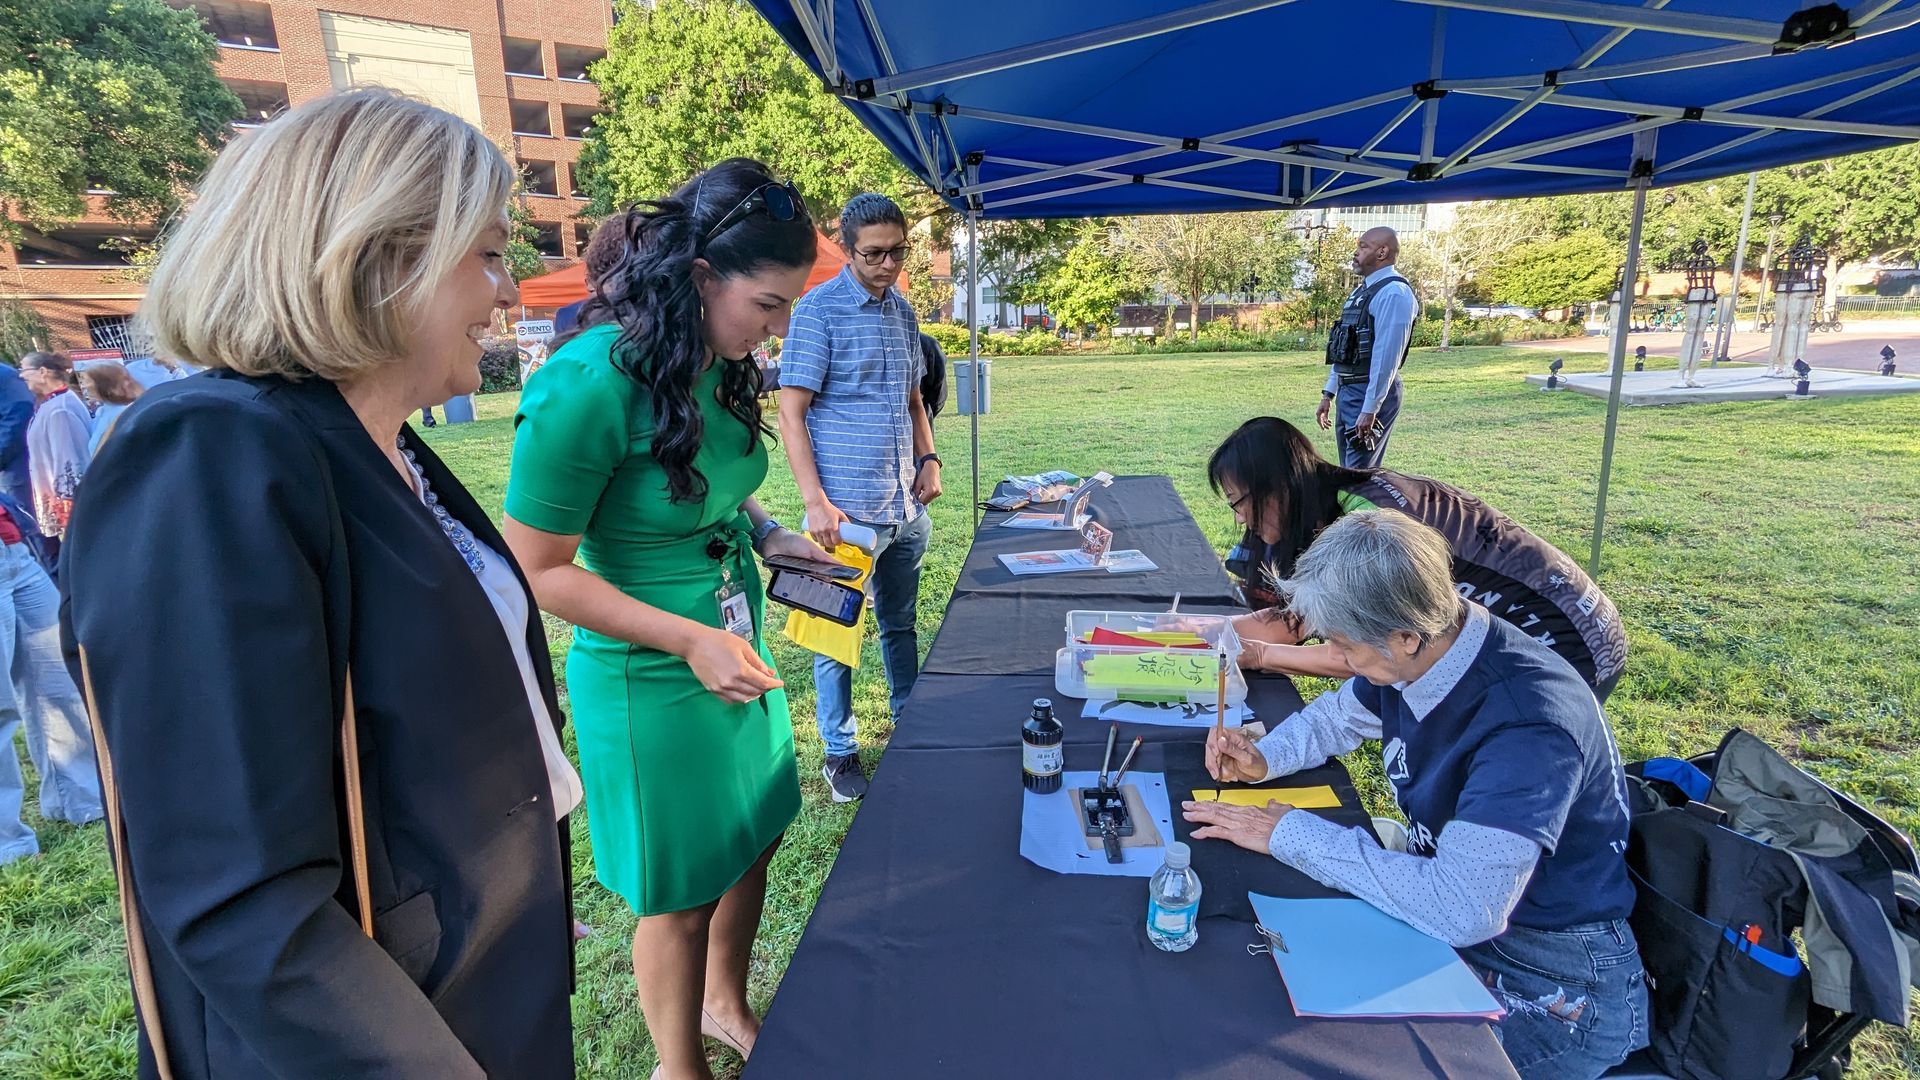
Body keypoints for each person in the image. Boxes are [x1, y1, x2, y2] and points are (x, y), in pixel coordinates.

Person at [59, 88, 579, 1077]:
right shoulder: (211, 453)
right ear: (380, 254)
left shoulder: (387, 448)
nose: (509, 290)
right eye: (487, 254)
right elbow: (237, 890)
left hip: (476, 986)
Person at [504, 158, 837, 1080]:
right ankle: (677, 1066)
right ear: (699, 277)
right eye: (767, 304)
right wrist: (689, 639)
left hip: (730, 648)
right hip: (653, 674)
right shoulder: (585, 385)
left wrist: (767, 532)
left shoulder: (717, 363)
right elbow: (536, 568)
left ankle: (726, 1006)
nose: (777, 328)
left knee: (756, 836)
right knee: (679, 895)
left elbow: (707, 478)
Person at [1183, 511, 1648, 1080]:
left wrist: (1292, 833)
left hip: (1555, 979)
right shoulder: (1433, 643)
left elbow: (1462, 909)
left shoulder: (1527, 730)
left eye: (1344, 645)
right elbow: (1338, 717)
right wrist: (1265, 759)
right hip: (1473, 921)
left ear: (1404, 636)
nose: (1338, 658)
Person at [1209, 416, 1627, 700]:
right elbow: (1295, 621)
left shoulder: (1366, 524)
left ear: (1278, 488)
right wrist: (1201, 631)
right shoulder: (1333, 502)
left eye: (1237, 502)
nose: (1240, 518)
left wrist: (1258, 655)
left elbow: (1361, 654)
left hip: (1568, 639)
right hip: (1565, 620)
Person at [777, 192, 939, 802]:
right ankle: (840, 752)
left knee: (900, 623)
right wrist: (814, 502)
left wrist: (929, 458)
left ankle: (908, 723)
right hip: (843, 514)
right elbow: (790, 411)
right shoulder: (817, 312)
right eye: (874, 253)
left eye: (897, 251)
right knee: (834, 637)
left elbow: (915, 400)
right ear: (846, 249)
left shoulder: (904, 312)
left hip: (905, 508)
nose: (888, 264)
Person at [0, 489, 102, 867]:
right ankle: (8, 844)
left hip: (13, 549)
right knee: (0, 709)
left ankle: (80, 800)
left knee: (58, 683)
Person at [1317, 226, 1415, 468]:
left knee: (1359, 474)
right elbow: (1344, 347)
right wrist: (1329, 394)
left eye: (1363, 247)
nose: (1356, 252)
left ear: (1382, 252)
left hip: (1368, 391)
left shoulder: (1394, 293)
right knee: (1349, 471)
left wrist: (1370, 408)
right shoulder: (1361, 292)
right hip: (1348, 391)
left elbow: (1386, 358)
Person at [18, 352, 92, 542]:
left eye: (24, 369)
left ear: (43, 372)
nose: (21, 375)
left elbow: (70, 461)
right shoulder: (53, 403)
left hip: (70, 510)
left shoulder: (61, 409)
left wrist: (67, 510)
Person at [77, 361, 145, 457]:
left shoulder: (124, 414)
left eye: (88, 381)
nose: (84, 385)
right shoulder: (103, 411)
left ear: (107, 387)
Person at [0, 362, 36, 513]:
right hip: (9, 466)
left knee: (21, 517)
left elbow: (18, 415)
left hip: (16, 466)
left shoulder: (4, 376)